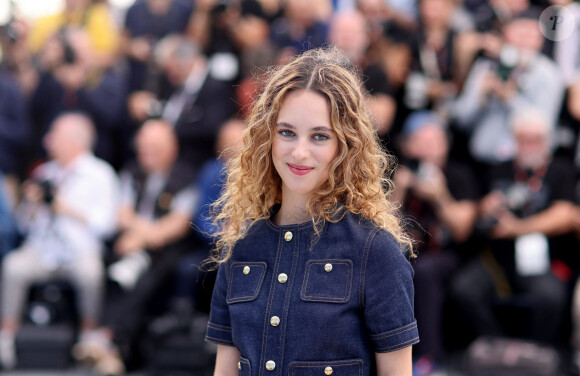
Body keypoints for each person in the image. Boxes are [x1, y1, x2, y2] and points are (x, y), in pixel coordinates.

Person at [205, 47, 419, 376]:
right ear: (267, 137)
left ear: (344, 146)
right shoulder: (240, 247)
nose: (300, 152)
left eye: (319, 136)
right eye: (287, 132)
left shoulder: (376, 252)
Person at [73, 119, 198, 375]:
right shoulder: (133, 172)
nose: (146, 154)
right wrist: (140, 236)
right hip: (134, 244)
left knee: (145, 278)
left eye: (153, 148)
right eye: (142, 148)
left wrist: (141, 237)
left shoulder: (186, 177)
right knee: (110, 267)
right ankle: (107, 341)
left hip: (166, 250)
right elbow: (122, 214)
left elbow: (178, 224)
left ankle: (109, 338)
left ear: (170, 149)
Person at [0, 112, 119, 369]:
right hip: (43, 250)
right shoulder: (44, 171)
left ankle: (89, 336)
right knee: (13, 266)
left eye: (55, 136)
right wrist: (30, 205)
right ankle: (7, 336)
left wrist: (66, 209)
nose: (48, 141)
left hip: (80, 250)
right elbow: (24, 226)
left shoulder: (100, 173)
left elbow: (107, 226)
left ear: (75, 141)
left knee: (90, 272)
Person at [449, 108, 576, 345]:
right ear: (513, 140)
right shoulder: (498, 169)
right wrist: (485, 208)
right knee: (463, 289)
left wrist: (518, 228)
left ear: (547, 141)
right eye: (522, 139)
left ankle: (535, 353)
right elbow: (478, 212)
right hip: (498, 259)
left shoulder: (560, 170)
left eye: (535, 139)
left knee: (551, 297)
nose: (529, 145)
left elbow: (565, 215)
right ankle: (500, 349)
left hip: (541, 261)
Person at [392, 111, 479, 373]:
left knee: (426, 271)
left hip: (449, 253)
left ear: (446, 145)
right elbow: (380, 225)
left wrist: (440, 196)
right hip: (408, 249)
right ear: (410, 145)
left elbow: (462, 230)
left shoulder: (459, 174)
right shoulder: (399, 172)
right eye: (422, 141)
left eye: (435, 141)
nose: (429, 148)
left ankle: (429, 354)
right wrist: (399, 190)